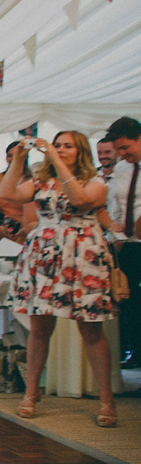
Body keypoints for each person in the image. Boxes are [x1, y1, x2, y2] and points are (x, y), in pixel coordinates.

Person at [0, 131, 116, 428]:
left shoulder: (97, 183)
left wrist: (52, 156)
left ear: (81, 152)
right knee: (39, 329)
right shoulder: (40, 181)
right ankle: (30, 393)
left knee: (91, 331)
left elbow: (78, 198)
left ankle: (106, 399)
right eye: (58, 145)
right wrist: (18, 160)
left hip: (82, 255)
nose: (61, 150)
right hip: (45, 255)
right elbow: (8, 193)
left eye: (68, 147)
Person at [106, 117, 141, 370]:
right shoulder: (121, 169)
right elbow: (115, 205)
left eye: (126, 147)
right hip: (128, 244)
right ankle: (137, 354)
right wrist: (116, 235)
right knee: (130, 302)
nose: (121, 153)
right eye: (118, 149)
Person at [0, 140, 31, 251]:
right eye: (9, 156)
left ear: (25, 156)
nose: (13, 159)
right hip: (1, 231)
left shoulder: (33, 181)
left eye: (17, 155)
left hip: (25, 232)